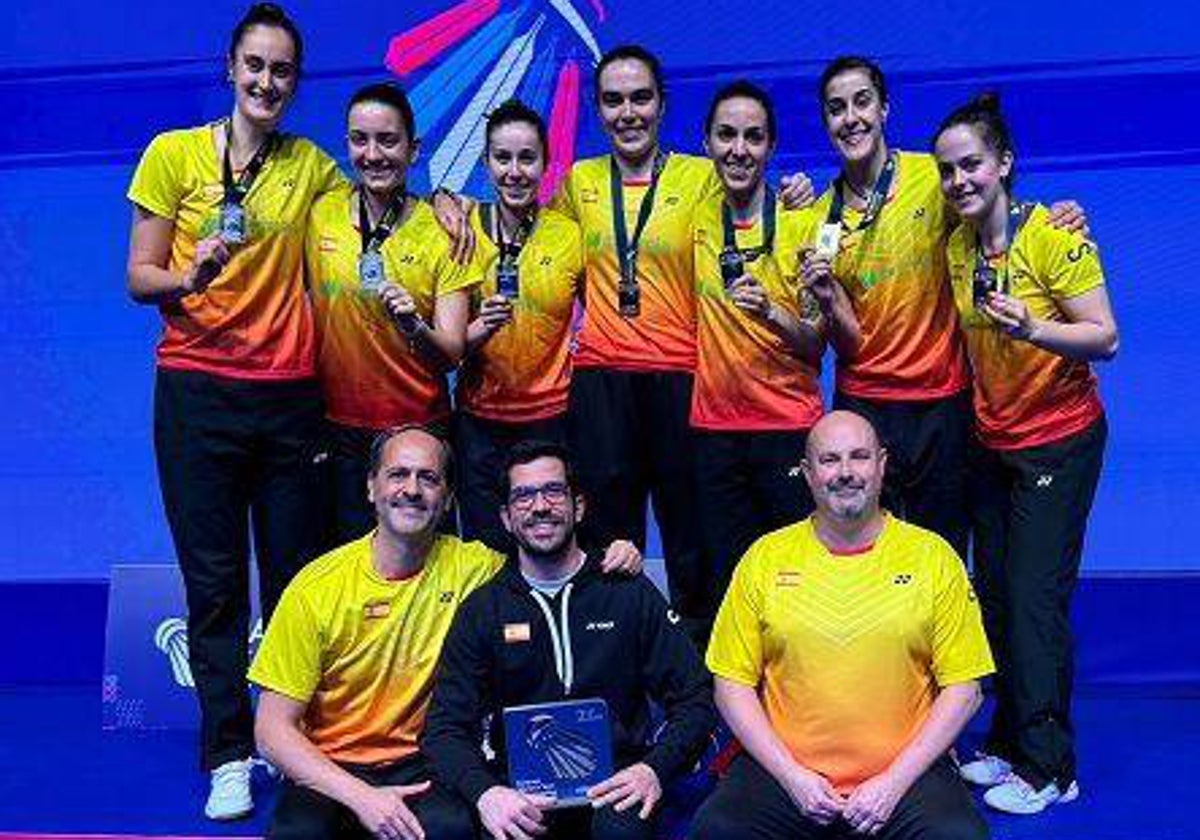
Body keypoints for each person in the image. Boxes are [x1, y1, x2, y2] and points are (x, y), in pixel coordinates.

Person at [125, 2, 343, 819]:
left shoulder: (314, 168)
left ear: (296, 82)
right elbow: (138, 276)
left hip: (291, 402)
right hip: (196, 396)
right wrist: (188, 277)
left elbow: (378, 214)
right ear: (229, 68)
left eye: (281, 70)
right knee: (215, 585)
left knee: (293, 582)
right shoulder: (172, 156)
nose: (266, 81)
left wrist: (453, 213)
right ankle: (228, 752)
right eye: (254, 65)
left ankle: (293, 740)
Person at [249, 426, 643, 839]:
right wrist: (362, 796)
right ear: (370, 487)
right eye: (398, 474)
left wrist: (612, 552)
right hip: (333, 766)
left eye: (429, 478)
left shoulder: (476, 568)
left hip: (428, 761)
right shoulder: (317, 586)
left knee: (450, 829)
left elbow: (545, 553)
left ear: (449, 497)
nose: (413, 489)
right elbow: (272, 731)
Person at [796, 56, 1088, 560]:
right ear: (826, 122)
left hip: (943, 404)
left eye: (862, 102)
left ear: (884, 108)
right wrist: (827, 300)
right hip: (864, 402)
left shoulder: (933, 178)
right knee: (869, 553)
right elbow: (846, 341)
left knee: (946, 553)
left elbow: (993, 208)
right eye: (836, 108)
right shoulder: (819, 216)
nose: (852, 118)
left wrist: (1056, 214)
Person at [933, 94, 1118, 815]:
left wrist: (1035, 329)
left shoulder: (1054, 237)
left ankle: (1050, 769)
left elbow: (1105, 335)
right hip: (994, 442)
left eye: (972, 164)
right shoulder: (957, 245)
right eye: (948, 171)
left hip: (1060, 441)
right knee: (1001, 597)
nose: (959, 181)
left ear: (1004, 162)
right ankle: (1010, 743)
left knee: (1037, 602)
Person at [690, 410, 994, 840]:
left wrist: (892, 784)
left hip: (903, 775)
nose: (846, 472)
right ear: (808, 473)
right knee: (714, 833)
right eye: (830, 460)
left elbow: (965, 689)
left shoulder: (933, 557)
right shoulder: (765, 557)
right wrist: (793, 777)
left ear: (882, 465)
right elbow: (730, 684)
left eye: (859, 457)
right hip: (787, 773)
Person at [423, 440, 715, 840]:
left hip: (618, 783)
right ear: (506, 518)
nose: (540, 506)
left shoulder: (627, 591)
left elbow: (695, 697)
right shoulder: (483, 610)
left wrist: (653, 769)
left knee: (621, 833)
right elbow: (444, 729)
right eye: (523, 496)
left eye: (553, 492)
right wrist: (486, 792)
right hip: (519, 791)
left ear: (578, 506)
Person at [690, 80, 848, 635]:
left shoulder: (805, 225)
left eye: (753, 137)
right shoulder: (690, 214)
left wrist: (771, 315)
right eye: (726, 135)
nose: (739, 149)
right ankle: (728, 713)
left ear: (772, 147)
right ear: (706, 142)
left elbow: (815, 342)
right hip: (712, 433)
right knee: (727, 586)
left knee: (796, 582)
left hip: (786, 427)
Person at [307, 82, 476, 544]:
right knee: (348, 573)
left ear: (414, 149)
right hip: (338, 433)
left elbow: (451, 354)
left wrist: (413, 327)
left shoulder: (446, 232)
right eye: (360, 140)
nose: (373, 154)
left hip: (421, 431)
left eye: (388, 140)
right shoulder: (319, 214)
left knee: (430, 576)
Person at [454, 100, 582, 551]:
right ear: (486, 162)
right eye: (502, 157)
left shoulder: (569, 233)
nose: (515, 171)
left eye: (527, 158)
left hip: (553, 420)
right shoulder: (460, 227)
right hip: (479, 426)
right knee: (487, 557)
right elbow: (444, 337)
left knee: (551, 551)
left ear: (546, 163)